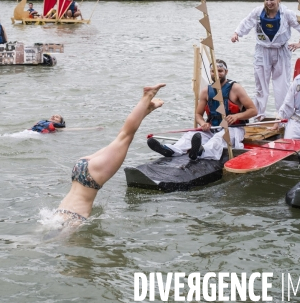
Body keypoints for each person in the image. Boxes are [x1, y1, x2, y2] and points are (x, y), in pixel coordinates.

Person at [56, 84, 165, 223]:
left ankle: (148, 96)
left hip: (89, 180)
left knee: (125, 136)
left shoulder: (67, 223)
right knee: (122, 136)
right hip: (80, 170)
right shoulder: (57, 219)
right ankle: (147, 108)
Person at [147, 60, 257, 160]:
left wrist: (236, 116)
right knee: (190, 135)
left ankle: (201, 152)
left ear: (226, 72)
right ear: (210, 72)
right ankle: (172, 150)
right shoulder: (206, 91)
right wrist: (203, 123)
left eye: (220, 71)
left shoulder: (236, 88)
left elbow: (253, 111)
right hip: (213, 128)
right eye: (214, 71)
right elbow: (198, 114)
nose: (217, 74)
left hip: (233, 129)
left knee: (219, 138)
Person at [231, 0, 300, 120]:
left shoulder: (287, 14)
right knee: (261, 86)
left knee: (282, 86)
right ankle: (259, 116)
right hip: (262, 50)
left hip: (281, 50)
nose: (269, 2)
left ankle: (282, 117)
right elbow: (246, 22)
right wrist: (237, 33)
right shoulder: (258, 12)